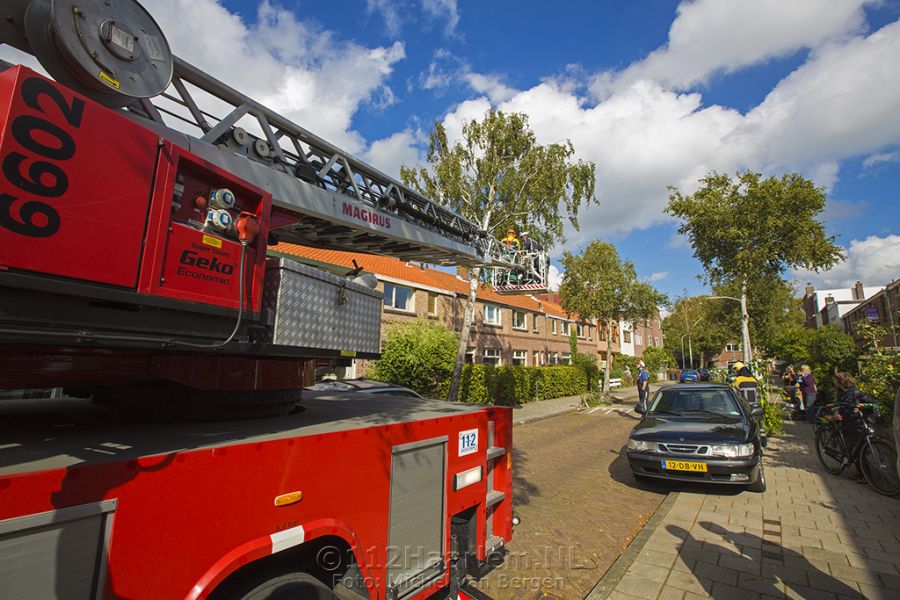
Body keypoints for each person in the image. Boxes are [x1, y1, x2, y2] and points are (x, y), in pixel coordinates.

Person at [833, 372, 874, 482]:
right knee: (850, 450)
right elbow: (839, 405)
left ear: (840, 382)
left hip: (857, 425)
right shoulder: (841, 393)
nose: (834, 383)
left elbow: (873, 404)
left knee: (858, 450)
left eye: (835, 381)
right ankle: (860, 473)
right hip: (845, 425)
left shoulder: (856, 393)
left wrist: (863, 406)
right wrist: (837, 413)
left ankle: (865, 475)